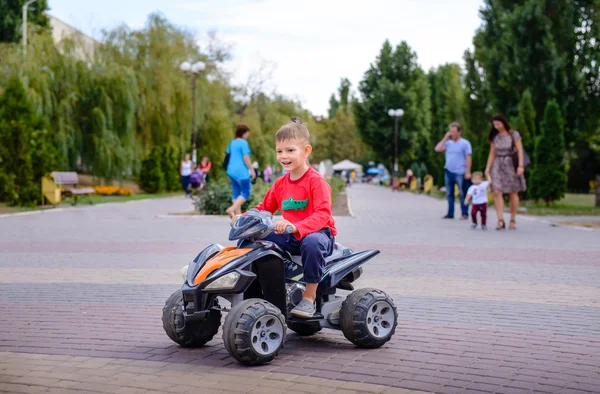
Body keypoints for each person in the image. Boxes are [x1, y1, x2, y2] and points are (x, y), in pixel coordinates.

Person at [233, 117, 336, 319]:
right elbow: (264, 208)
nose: (284, 156)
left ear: (306, 151)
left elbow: (323, 214)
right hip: (289, 235)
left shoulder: (316, 181)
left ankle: (308, 297)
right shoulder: (280, 184)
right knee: (249, 239)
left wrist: (297, 227)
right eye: (280, 151)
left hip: (317, 234)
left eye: (290, 150)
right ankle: (253, 288)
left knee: (312, 243)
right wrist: (244, 218)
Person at [485, 114, 526, 230]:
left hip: (511, 164)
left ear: (503, 123)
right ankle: (500, 220)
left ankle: (512, 219)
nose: (496, 126)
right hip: (498, 164)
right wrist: (488, 168)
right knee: (496, 190)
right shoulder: (495, 136)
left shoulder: (513, 135)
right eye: (494, 124)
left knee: (513, 192)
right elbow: (492, 153)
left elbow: (519, 150)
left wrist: (520, 166)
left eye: (498, 124)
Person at [434, 122, 472, 219]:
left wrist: (468, 171)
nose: (452, 134)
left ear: (459, 132)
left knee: (462, 193)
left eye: (454, 132)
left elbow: (468, 157)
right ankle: (450, 213)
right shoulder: (448, 143)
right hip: (448, 171)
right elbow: (437, 149)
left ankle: (464, 213)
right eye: (451, 132)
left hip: (460, 171)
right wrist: (445, 138)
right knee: (449, 193)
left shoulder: (465, 143)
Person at [225, 125, 256, 217]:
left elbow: (228, 156)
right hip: (241, 171)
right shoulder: (243, 143)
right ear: (243, 133)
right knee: (246, 192)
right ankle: (231, 209)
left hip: (231, 170)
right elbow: (245, 157)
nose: (247, 136)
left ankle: (237, 215)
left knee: (236, 193)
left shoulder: (232, 143)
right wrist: (252, 169)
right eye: (247, 134)